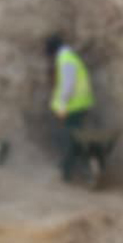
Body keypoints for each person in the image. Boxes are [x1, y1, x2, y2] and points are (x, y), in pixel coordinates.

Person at [46, 33, 96, 181]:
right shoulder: (70, 57)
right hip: (80, 104)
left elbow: (67, 85)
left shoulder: (65, 59)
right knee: (75, 136)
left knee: (71, 138)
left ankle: (67, 170)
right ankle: (72, 166)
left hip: (74, 106)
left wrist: (62, 107)